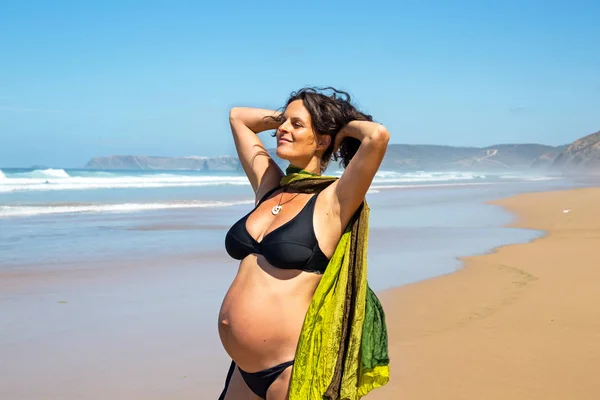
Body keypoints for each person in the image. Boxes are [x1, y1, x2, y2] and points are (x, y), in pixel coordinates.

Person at [218, 87, 390, 400]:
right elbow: (238, 117)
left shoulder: (333, 202)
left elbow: (376, 136)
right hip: (243, 371)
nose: (282, 129)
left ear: (324, 140)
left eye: (297, 125)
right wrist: (286, 118)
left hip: (289, 369)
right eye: (284, 123)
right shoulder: (270, 188)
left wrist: (342, 126)